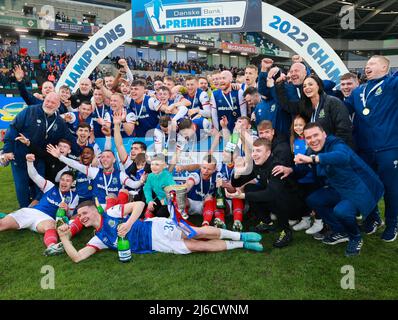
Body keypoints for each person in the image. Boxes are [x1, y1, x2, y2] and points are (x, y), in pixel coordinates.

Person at [56, 200, 263, 263]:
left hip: (155, 227)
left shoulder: (112, 212)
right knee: (198, 247)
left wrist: (128, 223)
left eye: (83, 212)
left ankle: (241, 235)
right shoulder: (98, 239)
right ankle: (241, 245)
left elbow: (138, 204)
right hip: (157, 245)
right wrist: (65, 238)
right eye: (78, 216)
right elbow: (77, 257)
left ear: (93, 209)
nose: (81, 217)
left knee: (196, 232)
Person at [295, 123, 384, 256]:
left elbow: (342, 156)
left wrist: (314, 159)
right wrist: (290, 168)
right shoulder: (311, 150)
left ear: (324, 134)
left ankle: (355, 237)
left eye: (316, 135)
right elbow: (303, 168)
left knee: (341, 211)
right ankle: (342, 231)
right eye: (308, 138)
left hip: (360, 187)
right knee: (314, 199)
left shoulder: (336, 144)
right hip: (339, 187)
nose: (313, 140)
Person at [344, 55, 398, 242]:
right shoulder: (358, 91)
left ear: (385, 68)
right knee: (366, 186)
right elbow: (342, 109)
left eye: (372, 64)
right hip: (364, 150)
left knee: (391, 188)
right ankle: (373, 218)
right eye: (366, 65)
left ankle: (393, 223)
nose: (367, 67)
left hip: (388, 148)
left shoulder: (392, 85)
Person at [2, 92, 78, 207]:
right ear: (44, 100)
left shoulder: (59, 122)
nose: (49, 104)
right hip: (20, 156)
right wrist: (7, 150)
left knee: (39, 185)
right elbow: (13, 127)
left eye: (53, 102)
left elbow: (69, 138)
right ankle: (24, 211)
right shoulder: (30, 111)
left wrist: (81, 153)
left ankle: (36, 209)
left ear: (58, 106)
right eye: (47, 101)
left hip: (40, 158)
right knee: (22, 186)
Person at [228, 138, 307, 248]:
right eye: (253, 151)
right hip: (275, 199)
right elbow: (237, 183)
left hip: (293, 204)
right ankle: (266, 222)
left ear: (268, 153)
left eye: (258, 151)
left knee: (278, 194)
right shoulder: (256, 164)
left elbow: (271, 194)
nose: (254, 154)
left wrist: (243, 196)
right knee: (250, 187)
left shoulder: (276, 166)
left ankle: (286, 232)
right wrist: (237, 173)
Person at [0, 154, 79, 256]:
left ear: (72, 183)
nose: (64, 182)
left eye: (68, 181)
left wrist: (67, 209)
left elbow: (70, 215)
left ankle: (52, 247)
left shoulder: (74, 196)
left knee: (51, 225)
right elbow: (35, 176)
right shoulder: (50, 187)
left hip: (45, 219)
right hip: (31, 212)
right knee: (2, 225)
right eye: (62, 179)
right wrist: (29, 162)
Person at [46, 146, 145, 207]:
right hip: (98, 206)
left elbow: (133, 185)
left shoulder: (120, 174)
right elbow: (76, 165)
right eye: (102, 157)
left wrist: (141, 181)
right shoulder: (95, 172)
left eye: (108, 157)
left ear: (114, 160)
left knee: (125, 193)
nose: (105, 159)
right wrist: (60, 156)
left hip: (114, 206)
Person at [299, 75, 354, 148]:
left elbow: (344, 130)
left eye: (310, 84)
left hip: (335, 151)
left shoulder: (332, 102)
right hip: (317, 150)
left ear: (318, 86)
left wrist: (334, 150)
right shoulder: (306, 107)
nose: (307, 88)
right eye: (304, 86)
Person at [143, 153, 176, 219]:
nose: (153, 167)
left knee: (160, 214)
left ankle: (172, 214)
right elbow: (147, 189)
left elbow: (174, 191)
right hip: (160, 198)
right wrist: (149, 200)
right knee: (150, 208)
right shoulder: (150, 176)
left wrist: (166, 201)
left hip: (170, 200)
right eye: (152, 164)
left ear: (164, 166)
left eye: (157, 164)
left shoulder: (167, 176)